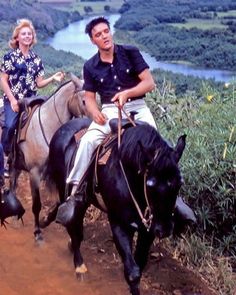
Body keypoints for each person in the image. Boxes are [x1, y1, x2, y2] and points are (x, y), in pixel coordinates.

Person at [66, 16, 156, 196]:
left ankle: (170, 195)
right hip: (109, 111)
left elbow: (149, 83)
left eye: (106, 31)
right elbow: (89, 98)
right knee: (88, 142)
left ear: (111, 32)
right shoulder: (90, 66)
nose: (104, 36)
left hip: (138, 107)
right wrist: (94, 112)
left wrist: (127, 93)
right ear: (93, 40)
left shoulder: (131, 52)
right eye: (98, 34)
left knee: (157, 145)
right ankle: (76, 191)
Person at [0, 19, 64, 162]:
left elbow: (39, 83)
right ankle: (5, 157)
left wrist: (52, 78)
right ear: (17, 38)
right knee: (10, 126)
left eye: (29, 34)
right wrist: (12, 100)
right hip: (13, 99)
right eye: (23, 34)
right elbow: (3, 80)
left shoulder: (36, 59)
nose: (27, 36)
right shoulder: (10, 57)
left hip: (31, 100)